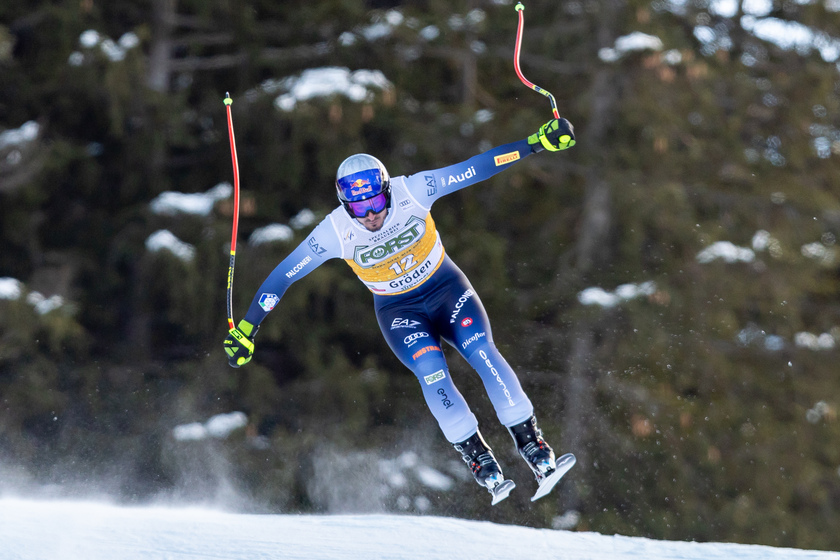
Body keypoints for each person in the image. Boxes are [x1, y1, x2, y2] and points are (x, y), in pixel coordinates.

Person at [224, 118, 576, 501]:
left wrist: (535, 144)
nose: (370, 215)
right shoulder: (335, 231)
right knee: (431, 372)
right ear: (345, 205)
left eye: (375, 202)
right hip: (399, 310)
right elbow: (283, 276)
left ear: (387, 191)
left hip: (446, 289)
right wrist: (247, 327)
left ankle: (534, 448)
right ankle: (480, 461)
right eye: (359, 208)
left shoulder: (414, 190)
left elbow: (477, 168)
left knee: (481, 351)